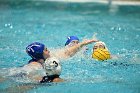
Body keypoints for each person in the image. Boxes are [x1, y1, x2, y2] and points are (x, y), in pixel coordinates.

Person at [25, 38, 98, 83]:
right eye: (46, 50)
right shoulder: (34, 65)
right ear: (40, 54)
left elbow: (67, 53)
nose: (49, 51)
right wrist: (52, 80)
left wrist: (83, 43)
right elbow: (27, 77)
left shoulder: (48, 57)